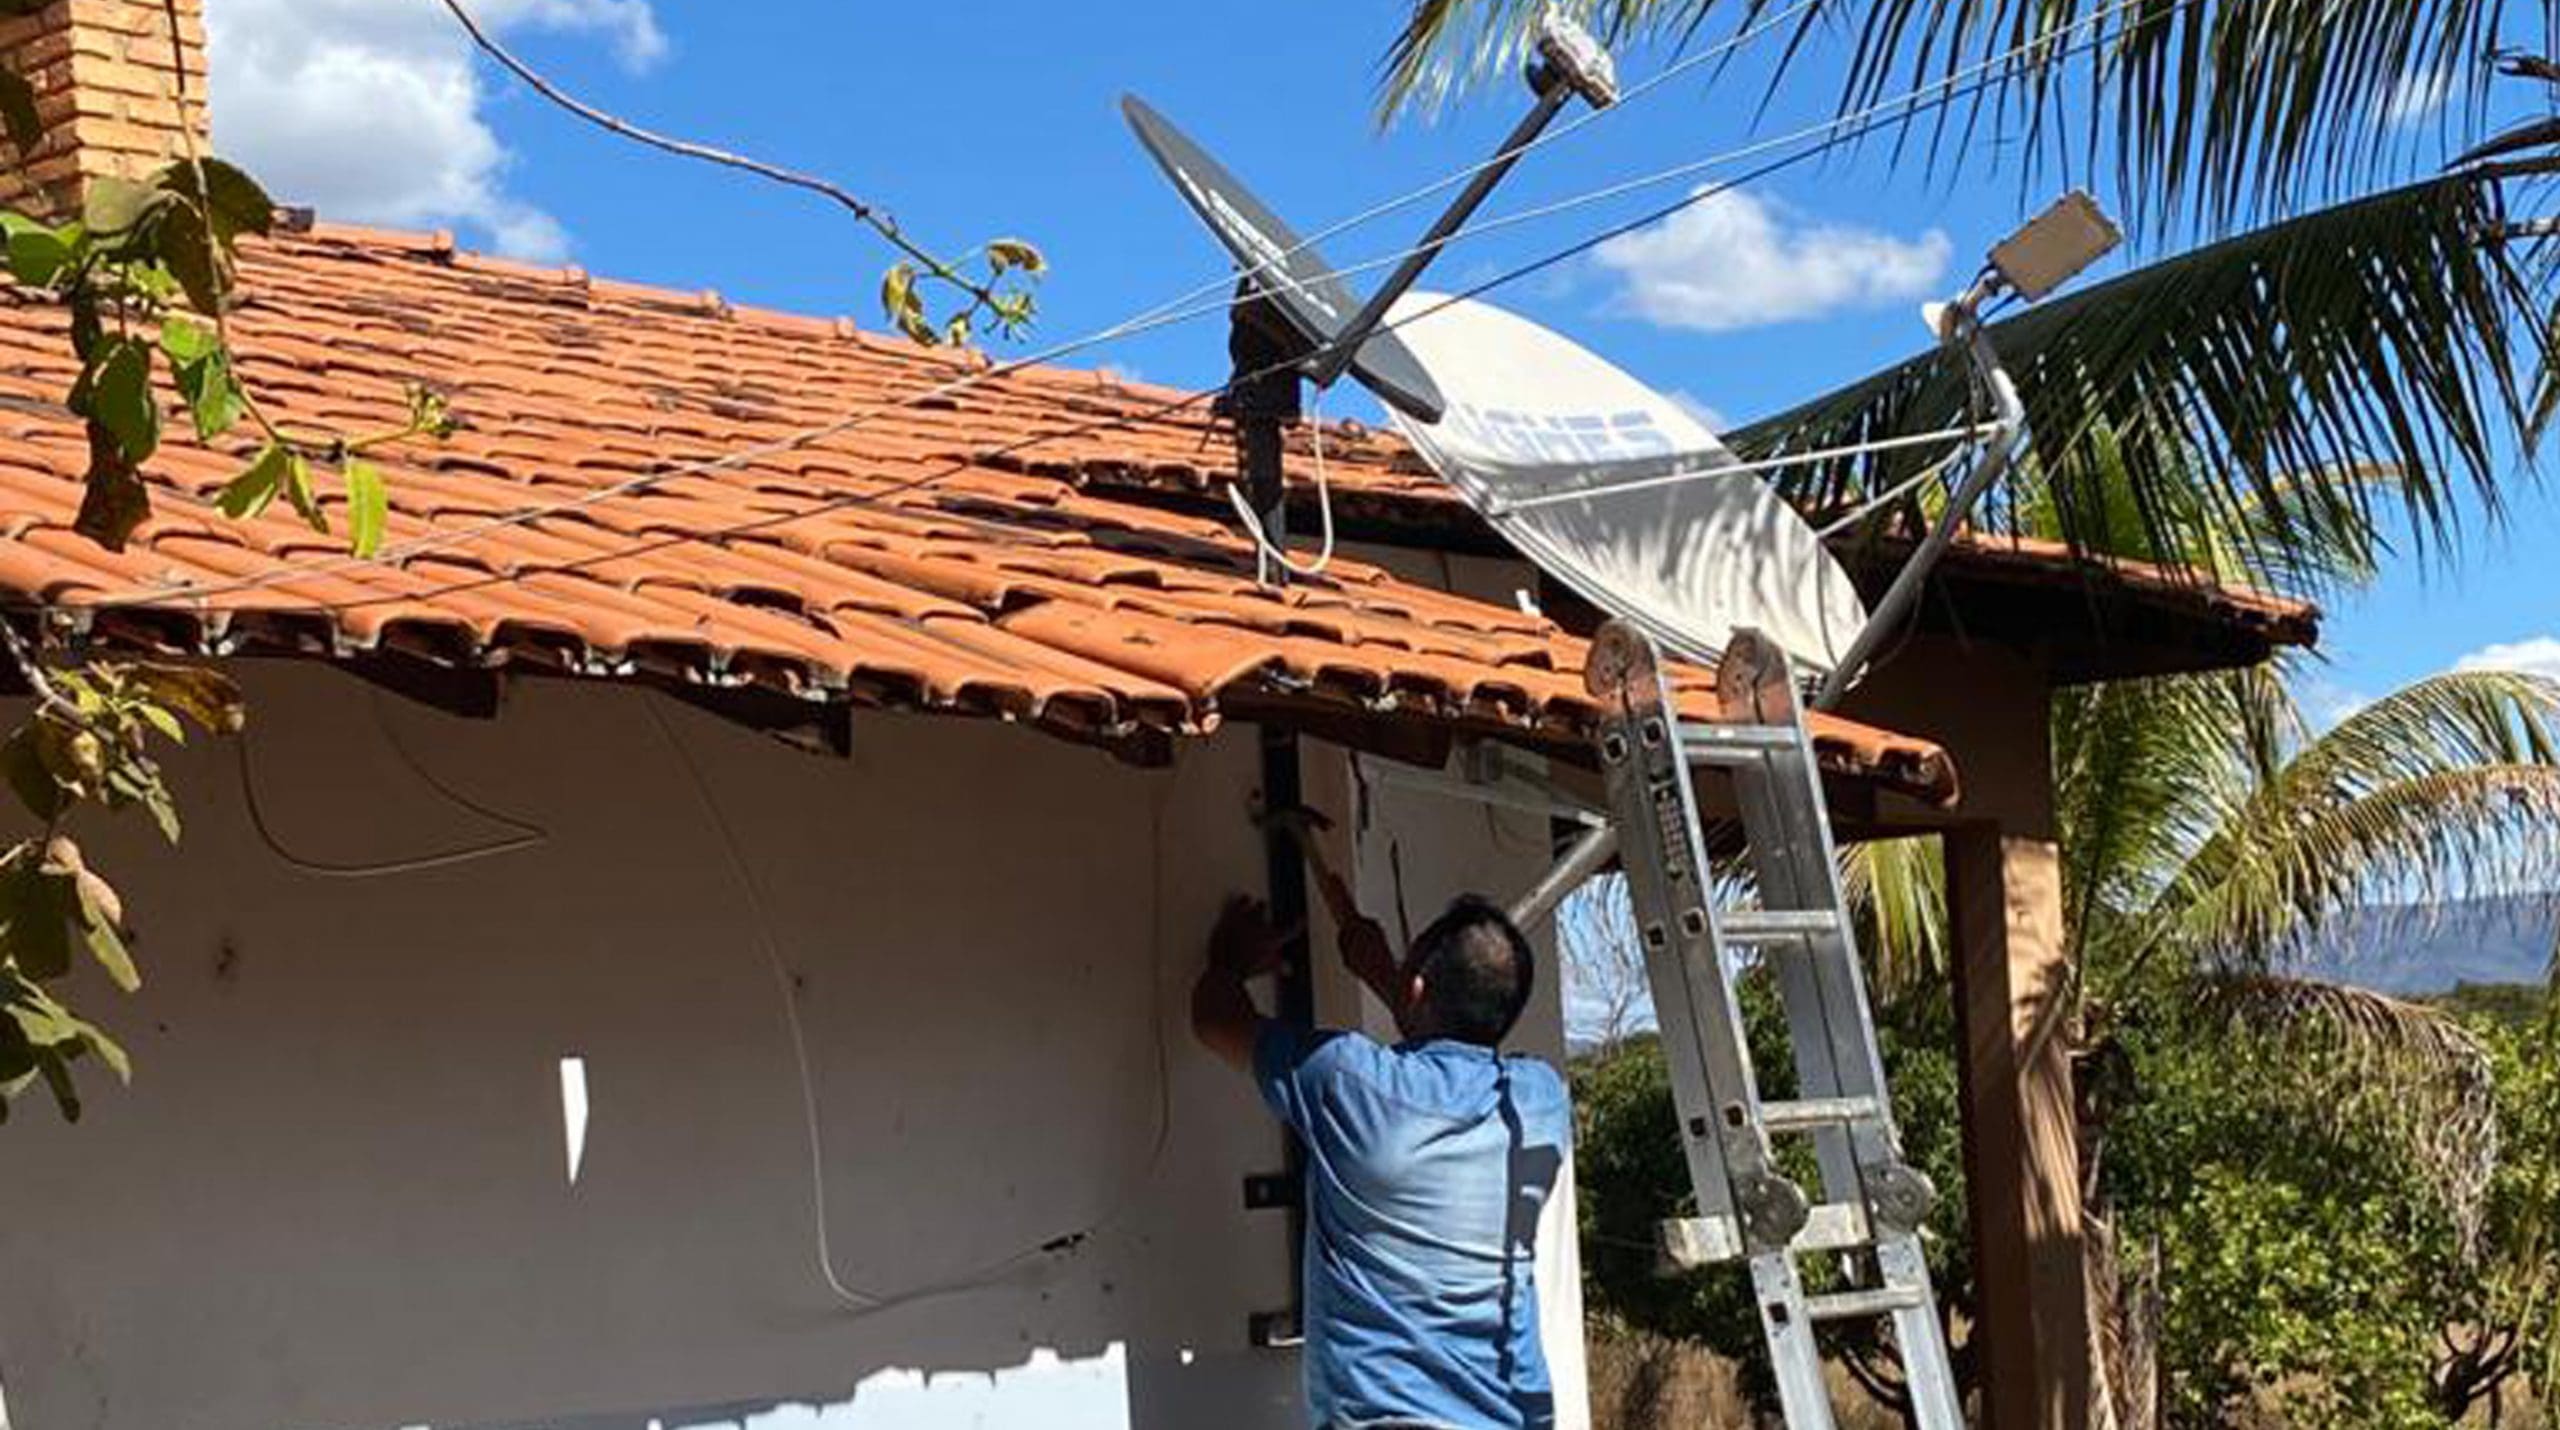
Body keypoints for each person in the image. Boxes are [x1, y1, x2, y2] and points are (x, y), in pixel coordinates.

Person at [1193, 889, 1571, 1430]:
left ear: (1415, 988)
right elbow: (1447, 1028)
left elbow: (1214, 1019)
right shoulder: (1539, 1100)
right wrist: (1388, 973)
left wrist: (1229, 961)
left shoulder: (1348, 1081)